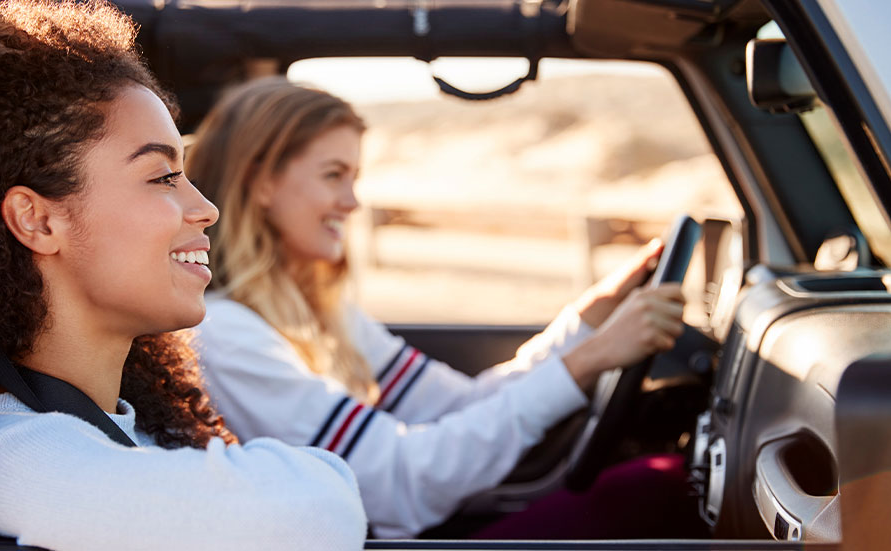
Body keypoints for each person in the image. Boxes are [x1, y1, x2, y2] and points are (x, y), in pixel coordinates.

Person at [187, 77, 700, 539]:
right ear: (261, 182)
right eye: (333, 175)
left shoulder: (318, 310)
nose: (352, 201)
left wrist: (587, 322)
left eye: (354, 176)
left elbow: (460, 404)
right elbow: (402, 483)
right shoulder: (227, 334)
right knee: (662, 486)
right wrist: (588, 361)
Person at [0, 3, 366, 550]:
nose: (205, 209)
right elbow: (311, 515)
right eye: (161, 177)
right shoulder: (10, 452)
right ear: (37, 220)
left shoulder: (122, 430)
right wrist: (329, 477)